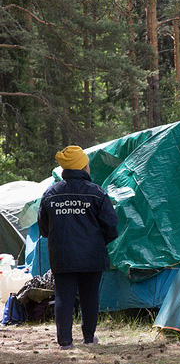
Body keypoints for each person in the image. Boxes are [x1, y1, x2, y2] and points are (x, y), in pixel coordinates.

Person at [38, 146, 119, 350]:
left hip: (62, 255)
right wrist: (100, 242)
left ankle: (65, 342)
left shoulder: (50, 193)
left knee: (63, 297)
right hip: (92, 255)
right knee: (90, 297)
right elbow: (111, 225)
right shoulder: (97, 193)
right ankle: (89, 337)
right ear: (83, 167)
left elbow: (43, 228)